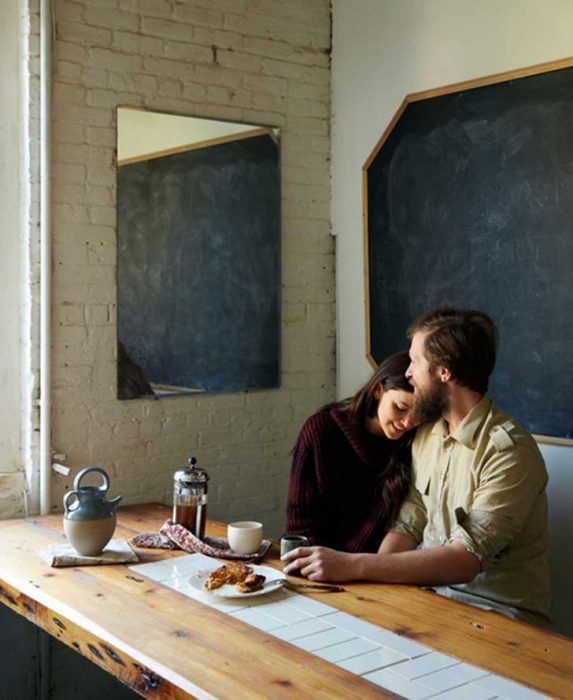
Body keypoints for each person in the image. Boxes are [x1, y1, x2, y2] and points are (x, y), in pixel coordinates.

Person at [283, 307, 551, 628]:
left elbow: (465, 560)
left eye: (415, 361)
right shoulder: (427, 436)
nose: (407, 373)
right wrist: (372, 589)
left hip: (495, 614)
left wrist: (353, 565)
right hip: (431, 599)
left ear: (444, 373)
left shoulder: (509, 451)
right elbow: (409, 522)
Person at [286, 351, 418, 554]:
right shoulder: (322, 430)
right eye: (400, 407)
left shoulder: (414, 441)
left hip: (376, 566)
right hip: (315, 560)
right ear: (378, 390)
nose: (408, 422)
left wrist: (350, 566)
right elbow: (299, 525)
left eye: (418, 414)